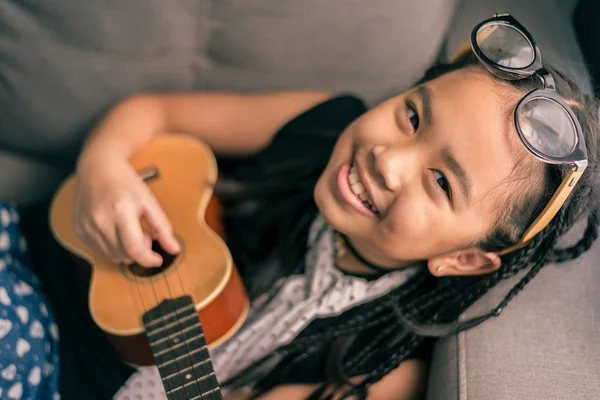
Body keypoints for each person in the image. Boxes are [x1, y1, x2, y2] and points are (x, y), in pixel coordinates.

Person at [16, 14, 600, 400]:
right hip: (33, 258)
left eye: (442, 183)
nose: (389, 161)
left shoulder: (379, 364)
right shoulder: (323, 124)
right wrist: (103, 167)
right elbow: (157, 113)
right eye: (413, 116)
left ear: (466, 259)